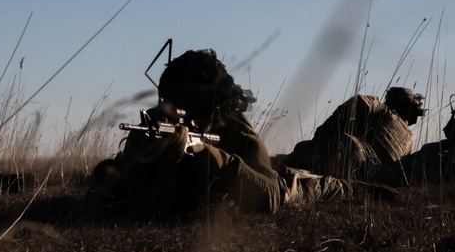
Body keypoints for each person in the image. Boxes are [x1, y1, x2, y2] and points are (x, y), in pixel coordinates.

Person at [75, 49, 286, 221]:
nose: (178, 117)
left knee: (299, 184)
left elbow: (272, 197)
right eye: (173, 107)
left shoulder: (235, 128)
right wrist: (161, 158)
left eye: (194, 112)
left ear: (216, 110)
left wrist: (219, 161)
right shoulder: (156, 126)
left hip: (277, 181)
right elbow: (146, 210)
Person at [281, 87, 425, 178]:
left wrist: (325, 130)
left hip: (349, 149)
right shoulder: (408, 143)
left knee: (301, 149)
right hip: (365, 173)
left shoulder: (384, 110)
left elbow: (360, 102)